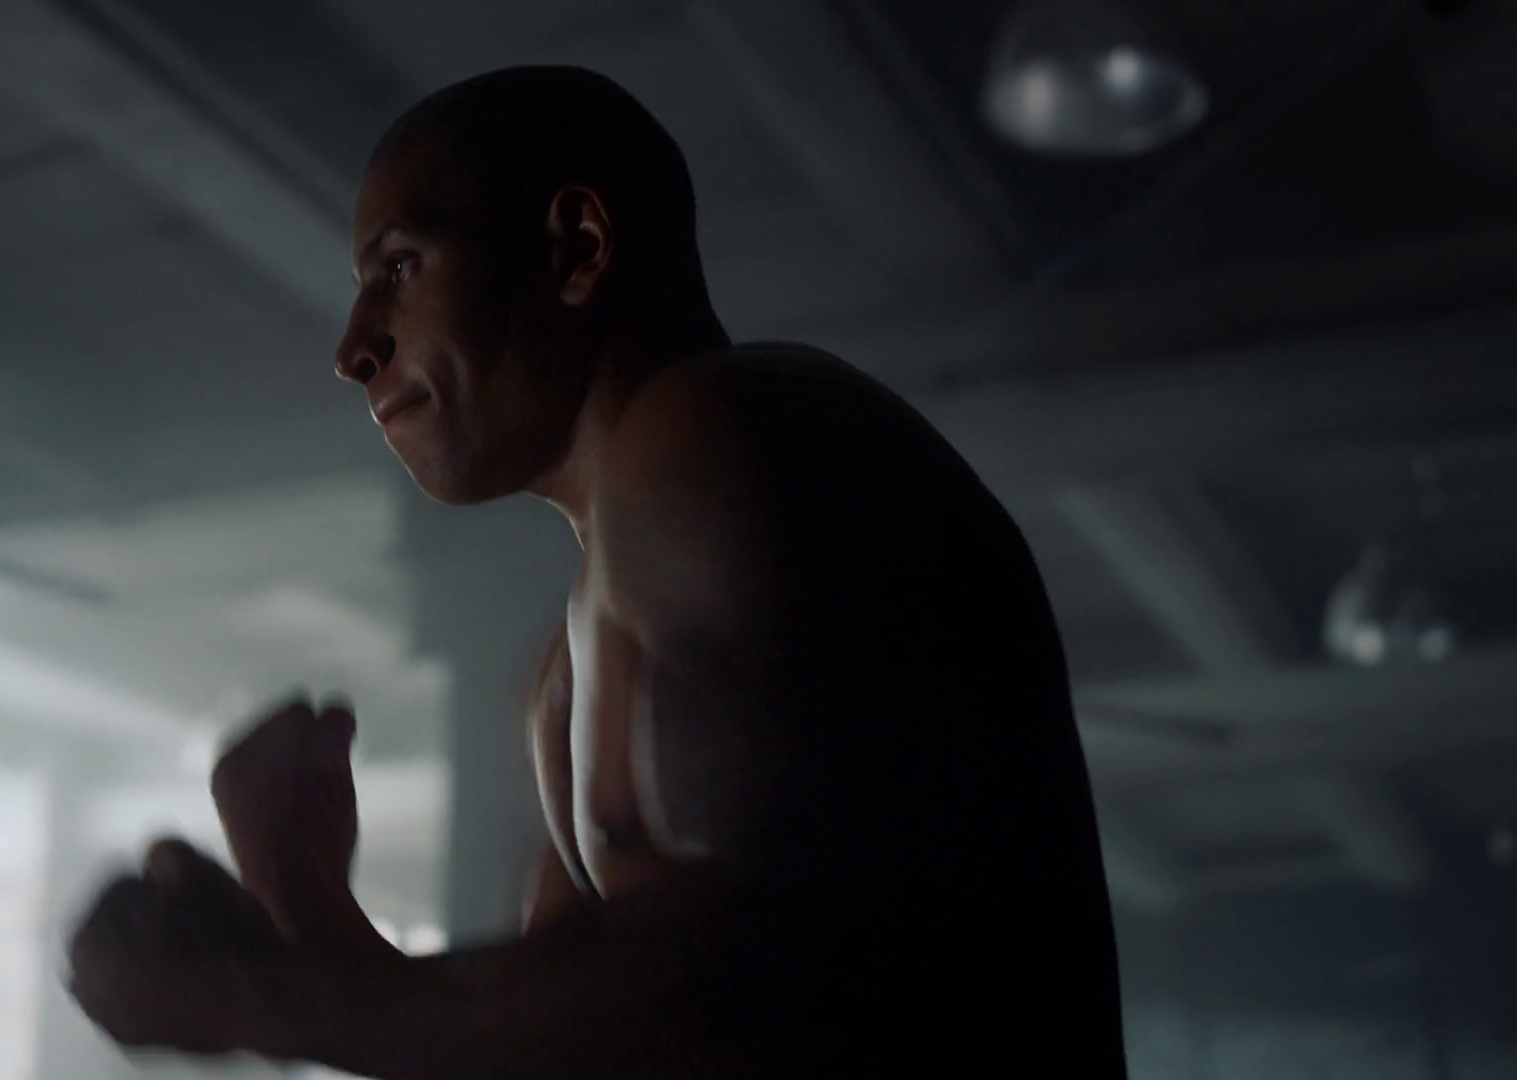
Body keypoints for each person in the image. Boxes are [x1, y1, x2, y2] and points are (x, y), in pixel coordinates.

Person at [65, 65, 1127, 1078]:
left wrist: (268, 993)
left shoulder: (720, 428)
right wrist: (310, 912)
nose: (354, 349)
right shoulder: (570, 658)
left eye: (401, 269)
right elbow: (562, 1056)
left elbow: (748, 987)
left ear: (575, 247)